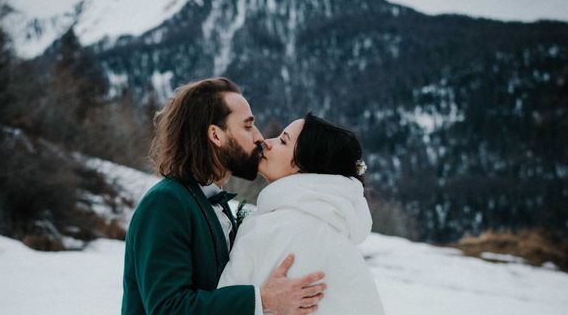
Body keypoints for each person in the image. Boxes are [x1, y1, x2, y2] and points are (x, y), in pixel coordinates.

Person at [122, 78, 327, 315]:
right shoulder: (166, 203)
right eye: (248, 126)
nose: (259, 137)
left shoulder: (212, 203)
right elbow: (167, 308)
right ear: (216, 135)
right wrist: (261, 300)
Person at [219, 113, 386, 315]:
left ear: (306, 166)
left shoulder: (275, 228)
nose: (267, 142)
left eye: (283, 141)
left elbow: (224, 304)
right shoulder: (330, 234)